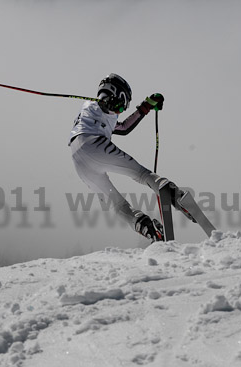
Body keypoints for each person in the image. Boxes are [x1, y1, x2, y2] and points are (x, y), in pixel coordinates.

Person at [69, 73, 186, 242]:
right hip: (93, 144)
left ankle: (147, 228)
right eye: (123, 105)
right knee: (141, 174)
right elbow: (104, 102)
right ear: (116, 92)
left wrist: (145, 107)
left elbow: (123, 128)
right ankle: (174, 195)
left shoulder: (95, 114)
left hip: (79, 161)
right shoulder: (97, 104)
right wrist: (108, 101)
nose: (121, 110)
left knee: (117, 204)